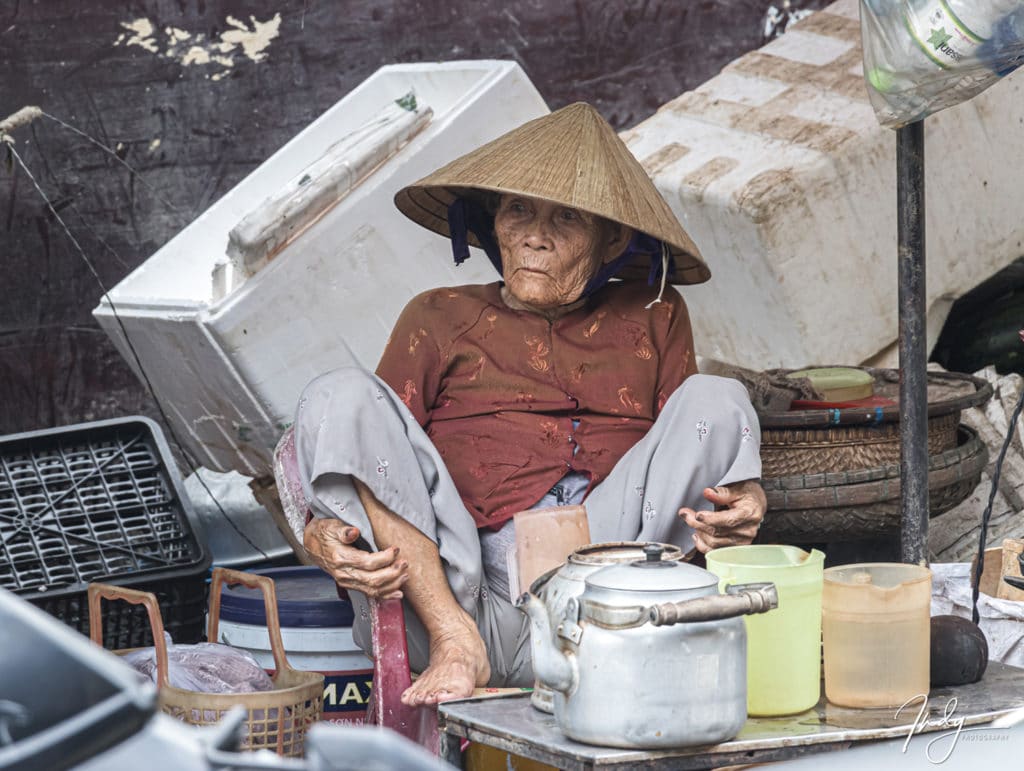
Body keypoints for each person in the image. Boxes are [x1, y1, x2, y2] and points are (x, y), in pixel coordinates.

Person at [294, 103, 766, 707]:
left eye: (566, 217)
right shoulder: (437, 315)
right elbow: (374, 458)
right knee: (338, 392)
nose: (535, 236)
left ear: (612, 238)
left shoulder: (655, 312)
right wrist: (318, 529)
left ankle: (619, 647)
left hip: (612, 594)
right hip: (462, 595)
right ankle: (455, 642)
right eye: (518, 210)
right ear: (494, 222)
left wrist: (747, 496)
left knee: (719, 398)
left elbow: (694, 449)